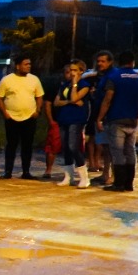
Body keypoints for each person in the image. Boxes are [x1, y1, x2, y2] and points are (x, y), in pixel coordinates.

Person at [95, 50, 138, 192]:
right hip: (132, 120)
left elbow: (108, 99)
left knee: (117, 152)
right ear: (133, 63)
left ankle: (119, 184)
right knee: (130, 151)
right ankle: (129, 184)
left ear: (118, 62)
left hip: (116, 119)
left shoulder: (114, 78)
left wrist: (99, 118)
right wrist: (137, 116)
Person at [0, 56, 44, 179]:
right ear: (18, 66)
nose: (28, 66)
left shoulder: (34, 79)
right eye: (25, 64)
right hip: (12, 118)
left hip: (29, 117)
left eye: (29, 64)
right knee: (11, 145)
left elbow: (39, 95)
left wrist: (37, 110)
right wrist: (5, 113)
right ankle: (8, 171)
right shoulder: (7, 80)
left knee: (27, 145)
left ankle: (26, 172)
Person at [51, 58, 92, 188]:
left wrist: (74, 85)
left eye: (75, 70)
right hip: (64, 118)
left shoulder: (84, 85)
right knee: (65, 148)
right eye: (71, 70)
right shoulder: (65, 85)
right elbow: (56, 102)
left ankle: (84, 177)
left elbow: (75, 97)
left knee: (73, 146)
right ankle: (68, 176)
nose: (72, 72)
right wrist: (70, 102)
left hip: (76, 119)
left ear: (81, 71)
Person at [85, 51, 115, 186]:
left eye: (103, 61)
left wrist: (101, 118)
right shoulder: (101, 76)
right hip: (99, 115)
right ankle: (105, 174)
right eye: (98, 61)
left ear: (110, 62)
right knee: (106, 147)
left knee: (113, 147)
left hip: (109, 117)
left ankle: (113, 176)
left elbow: (108, 98)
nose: (99, 64)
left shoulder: (112, 76)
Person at [41, 73, 63, 178]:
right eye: (68, 72)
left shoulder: (80, 86)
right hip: (56, 120)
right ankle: (48, 170)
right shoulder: (56, 86)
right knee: (52, 146)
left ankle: (71, 171)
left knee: (73, 147)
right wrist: (50, 120)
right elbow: (48, 104)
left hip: (72, 121)